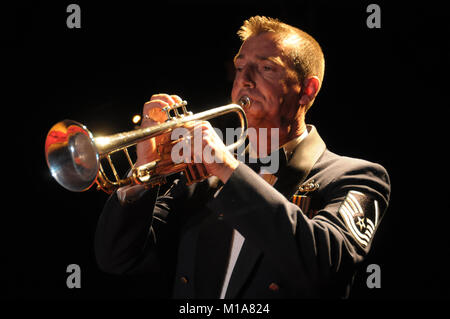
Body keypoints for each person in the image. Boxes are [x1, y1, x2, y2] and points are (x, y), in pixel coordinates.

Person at [94, 16, 391, 299]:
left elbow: (322, 267)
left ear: (306, 90)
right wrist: (144, 171)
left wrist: (229, 168)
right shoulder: (203, 175)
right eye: (239, 68)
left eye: (266, 68)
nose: (245, 80)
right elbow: (118, 259)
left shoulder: (356, 176)